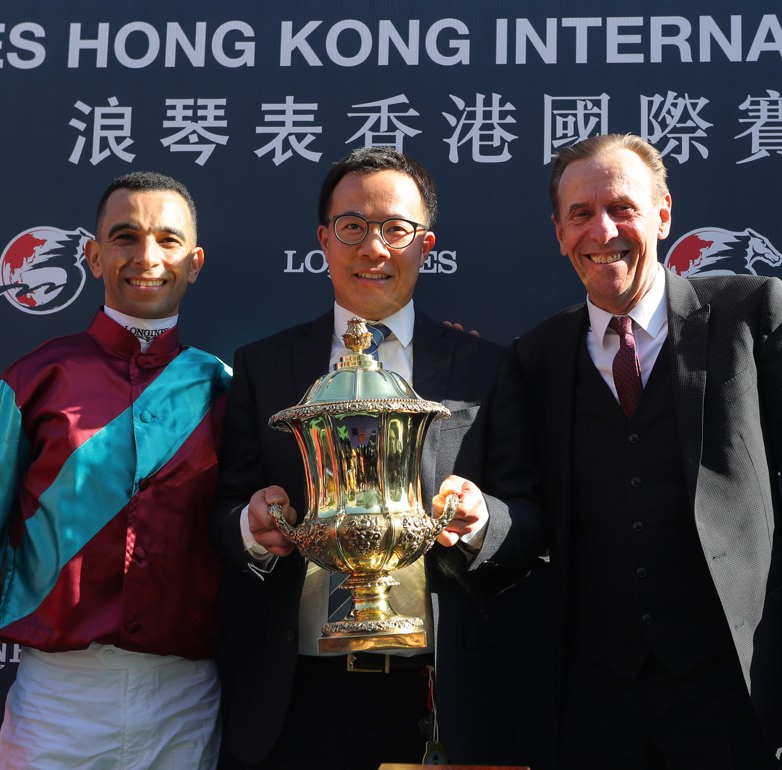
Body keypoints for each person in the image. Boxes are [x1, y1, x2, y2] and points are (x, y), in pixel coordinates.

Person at [512, 134, 782, 770]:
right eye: (581, 214)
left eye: (623, 208)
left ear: (663, 214)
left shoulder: (751, 312)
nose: (604, 230)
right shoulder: (536, 357)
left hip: (741, 692)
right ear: (559, 233)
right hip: (593, 707)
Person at [210, 146, 547, 769]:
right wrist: (252, 527)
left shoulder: (485, 369)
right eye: (353, 227)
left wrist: (483, 521)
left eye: (396, 229)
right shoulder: (264, 365)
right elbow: (225, 511)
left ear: (426, 243)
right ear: (324, 239)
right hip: (294, 693)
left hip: (434, 693)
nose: (374, 248)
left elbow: (528, 517)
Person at [0, 171, 230, 770]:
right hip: (57, 702)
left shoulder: (221, 388)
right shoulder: (33, 381)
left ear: (194, 262)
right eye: (125, 237)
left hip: (188, 702)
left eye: (168, 241)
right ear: (92, 256)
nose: (147, 257)